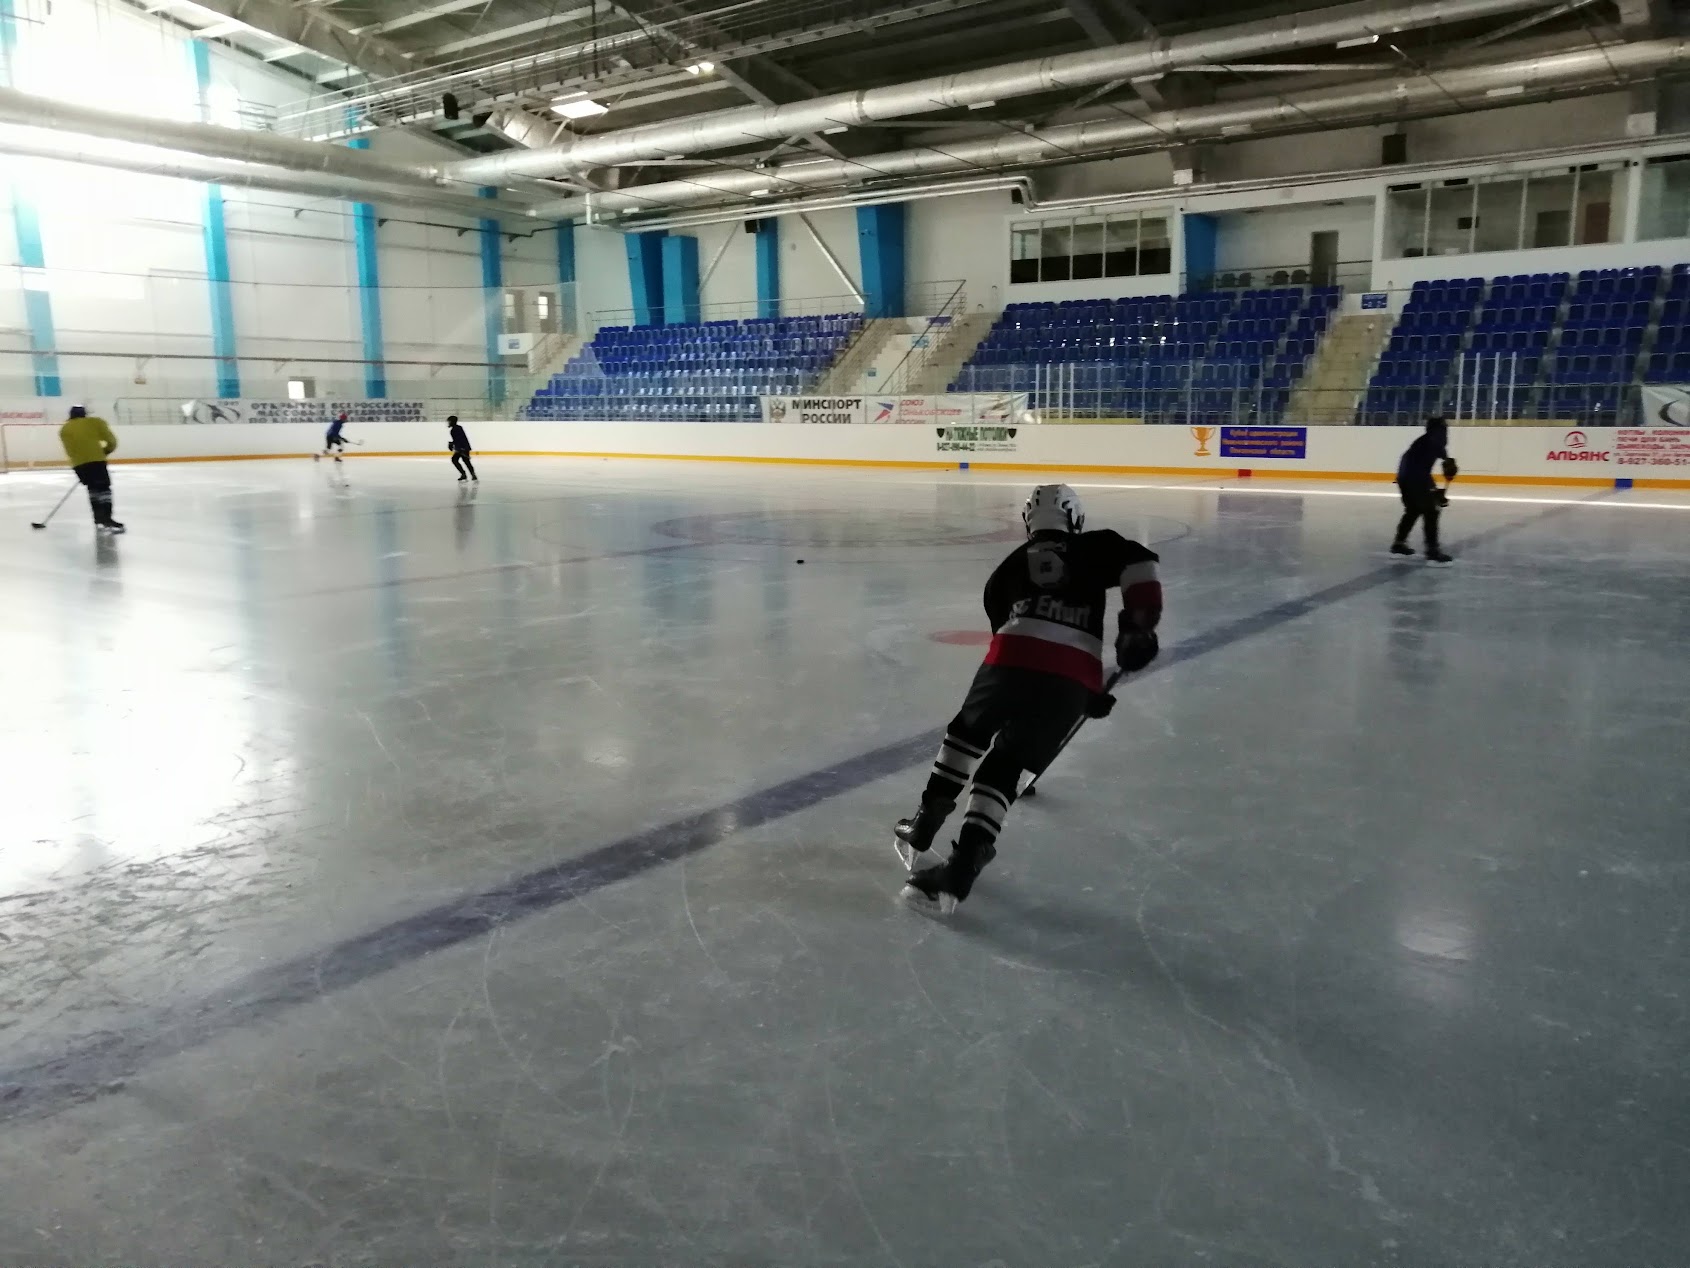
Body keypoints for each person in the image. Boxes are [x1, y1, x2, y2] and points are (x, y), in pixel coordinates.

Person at [893, 484, 1163, 916]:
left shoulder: (1005, 571)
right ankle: (962, 867)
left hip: (1008, 662)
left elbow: (1004, 632)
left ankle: (925, 822)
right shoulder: (1097, 545)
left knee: (967, 735)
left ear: (1028, 522)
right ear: (1075, 518)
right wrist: (1139, 627)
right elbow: (1141, 565)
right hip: (1072, 677)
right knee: (1006, 765)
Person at [1391, 416, 1457, 563]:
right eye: (1443, 429)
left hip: (1405, 477)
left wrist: (1434, 489)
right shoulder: (1431, 442)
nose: (1445, 433)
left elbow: (1426, 467)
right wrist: (1434, 492)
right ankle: (1432, 551)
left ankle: (1399, 543)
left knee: (1413, 510)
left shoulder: (1428, 442)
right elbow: (1419, 472)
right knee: (1431, 511)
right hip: (1413, 478)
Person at [58, 405, 124, 534]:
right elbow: (112, 441)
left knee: (92, 489)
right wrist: (105, 451)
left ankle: (98, 519)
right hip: (96, 461)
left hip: (79, 464)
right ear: (84, 414)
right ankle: (107, 519)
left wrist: (79, 464)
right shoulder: (95, 422)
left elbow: (70, 450)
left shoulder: (64, 429)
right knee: (103, 489)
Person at [447, 415, 478, 482]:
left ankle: (465, 474)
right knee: (465, 461)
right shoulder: (458, 428)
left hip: (462, 448)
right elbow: (459, 439)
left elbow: (460, 439)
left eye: (449, 421)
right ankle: (471, 474)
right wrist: (453, 443)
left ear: (452, 421)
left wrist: (460, 448)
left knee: (457, 460)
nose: (448, 423)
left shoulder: (454, 430)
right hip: (463, 447)